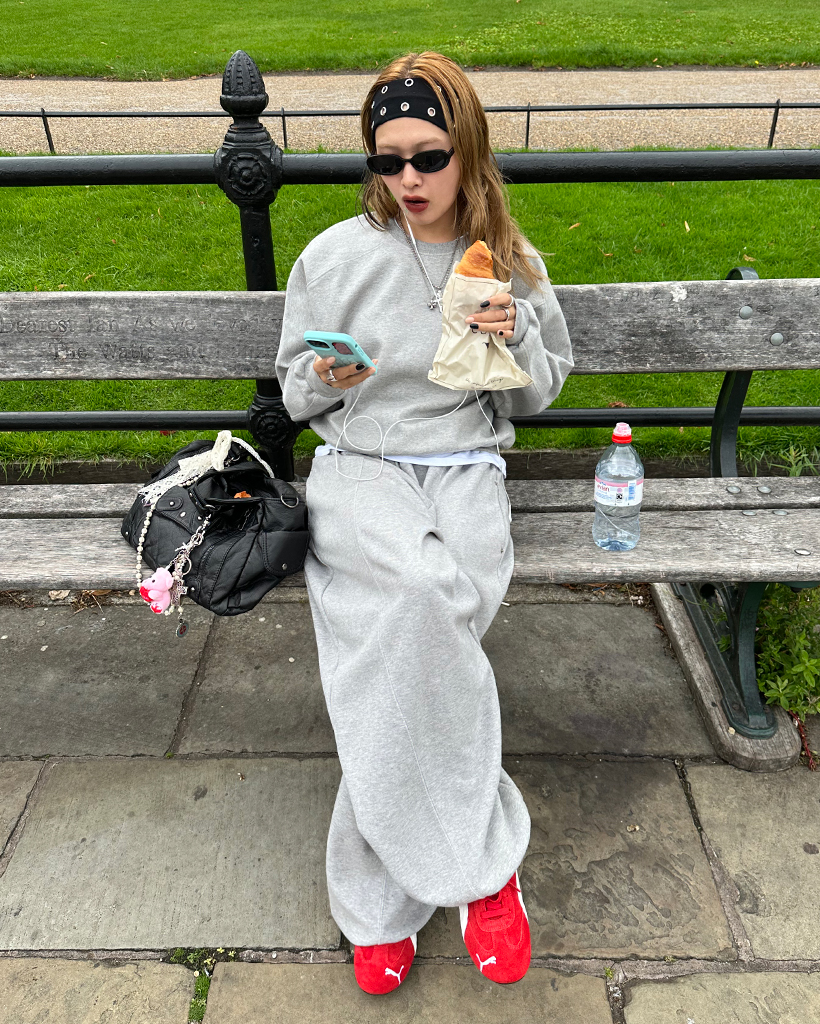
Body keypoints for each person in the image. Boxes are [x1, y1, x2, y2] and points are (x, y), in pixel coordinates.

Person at [275, 50, 573, 996]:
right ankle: (482, 875)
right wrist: (325, 376)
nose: (408, 179)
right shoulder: (333, 256)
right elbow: (293, 394)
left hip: (467, 461)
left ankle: (386, 893)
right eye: (388, 159)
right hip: (362, 461)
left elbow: (540, 394)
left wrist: (515, 338)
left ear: (468, 151)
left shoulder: (507, 259)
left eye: (429, 158)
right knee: (415, 596)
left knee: (438, 615)